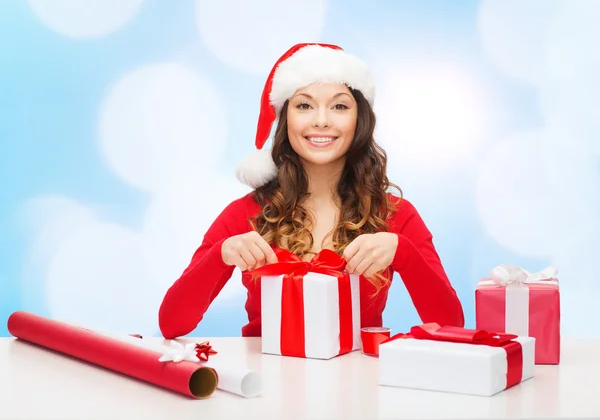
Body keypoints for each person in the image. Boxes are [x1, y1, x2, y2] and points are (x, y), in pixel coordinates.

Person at [158, 43, 464, 339]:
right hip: (265, 384)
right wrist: (219, 256)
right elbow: (171, 324)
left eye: (339, 106)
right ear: (284, 118)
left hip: (358, 387)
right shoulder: (244, 214)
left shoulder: (396, 215)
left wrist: (403, 253)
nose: (321, 120)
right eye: (304, 105)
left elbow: (451, 324)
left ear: (359, 120)